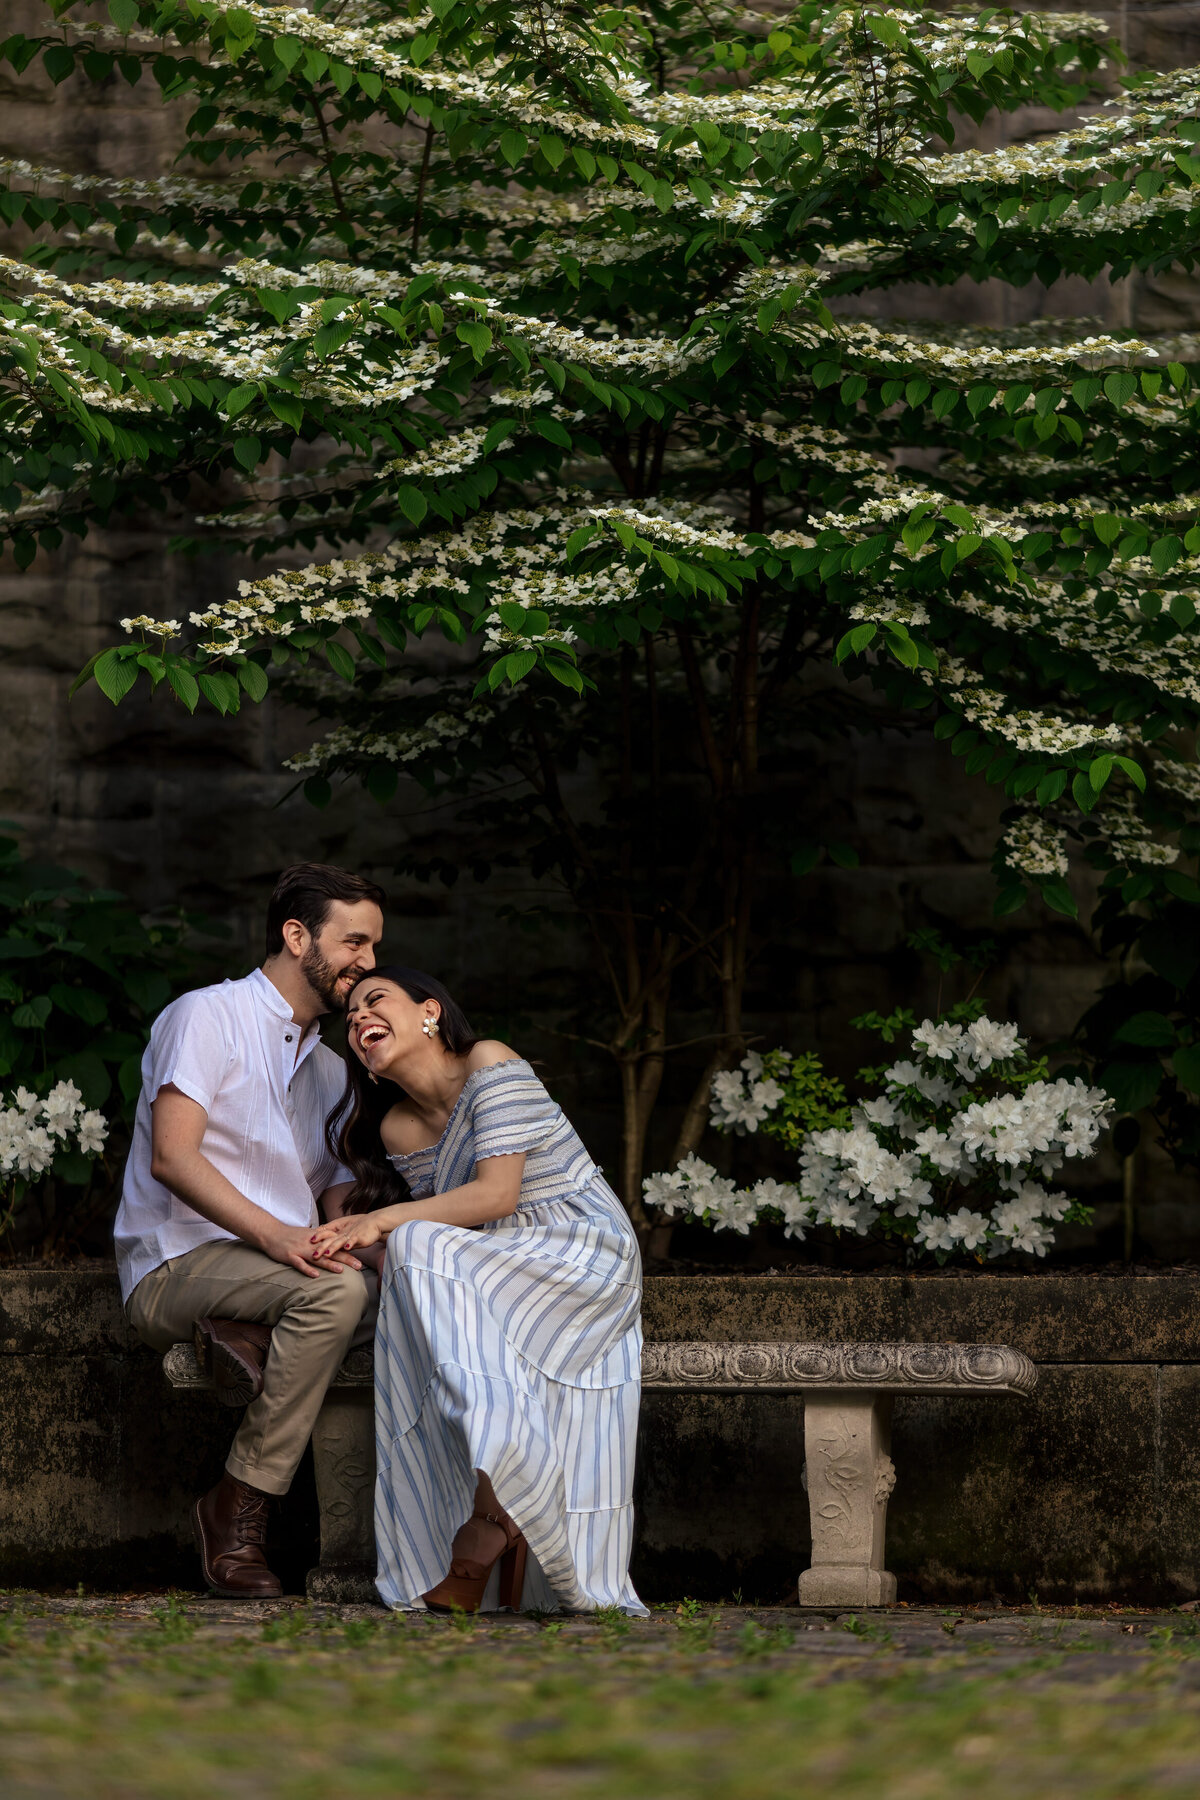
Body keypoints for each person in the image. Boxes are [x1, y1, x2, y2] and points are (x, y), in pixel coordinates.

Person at [310, 966, 647, 1617]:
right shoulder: (399, 1128)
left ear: (430, 1011)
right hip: (498, 1259)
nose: (357, 1020)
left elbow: (497, 1195)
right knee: (415, 1253)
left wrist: (380, 1220)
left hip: (580, 1248)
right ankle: (497, 1506)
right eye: (349, 1017)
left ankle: (492, 1518)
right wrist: (356, 1234)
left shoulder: (489, 1060)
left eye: (373, 1002)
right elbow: (448, 1236)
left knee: (412, 1243)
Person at [114, 862, 386, 1598]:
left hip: (272, 1274)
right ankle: (236, 1504)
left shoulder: (330, 1069)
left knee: (395, 1296)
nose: (368, 964)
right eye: (354, 943)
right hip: (175, 1262)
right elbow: (173, 1156)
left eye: (374, 947)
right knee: (333, 1299)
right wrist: (276, 1237)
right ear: (298, 937)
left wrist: (401, 1250)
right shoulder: (207, 1016)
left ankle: (249, 1338)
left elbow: (332, 1203)